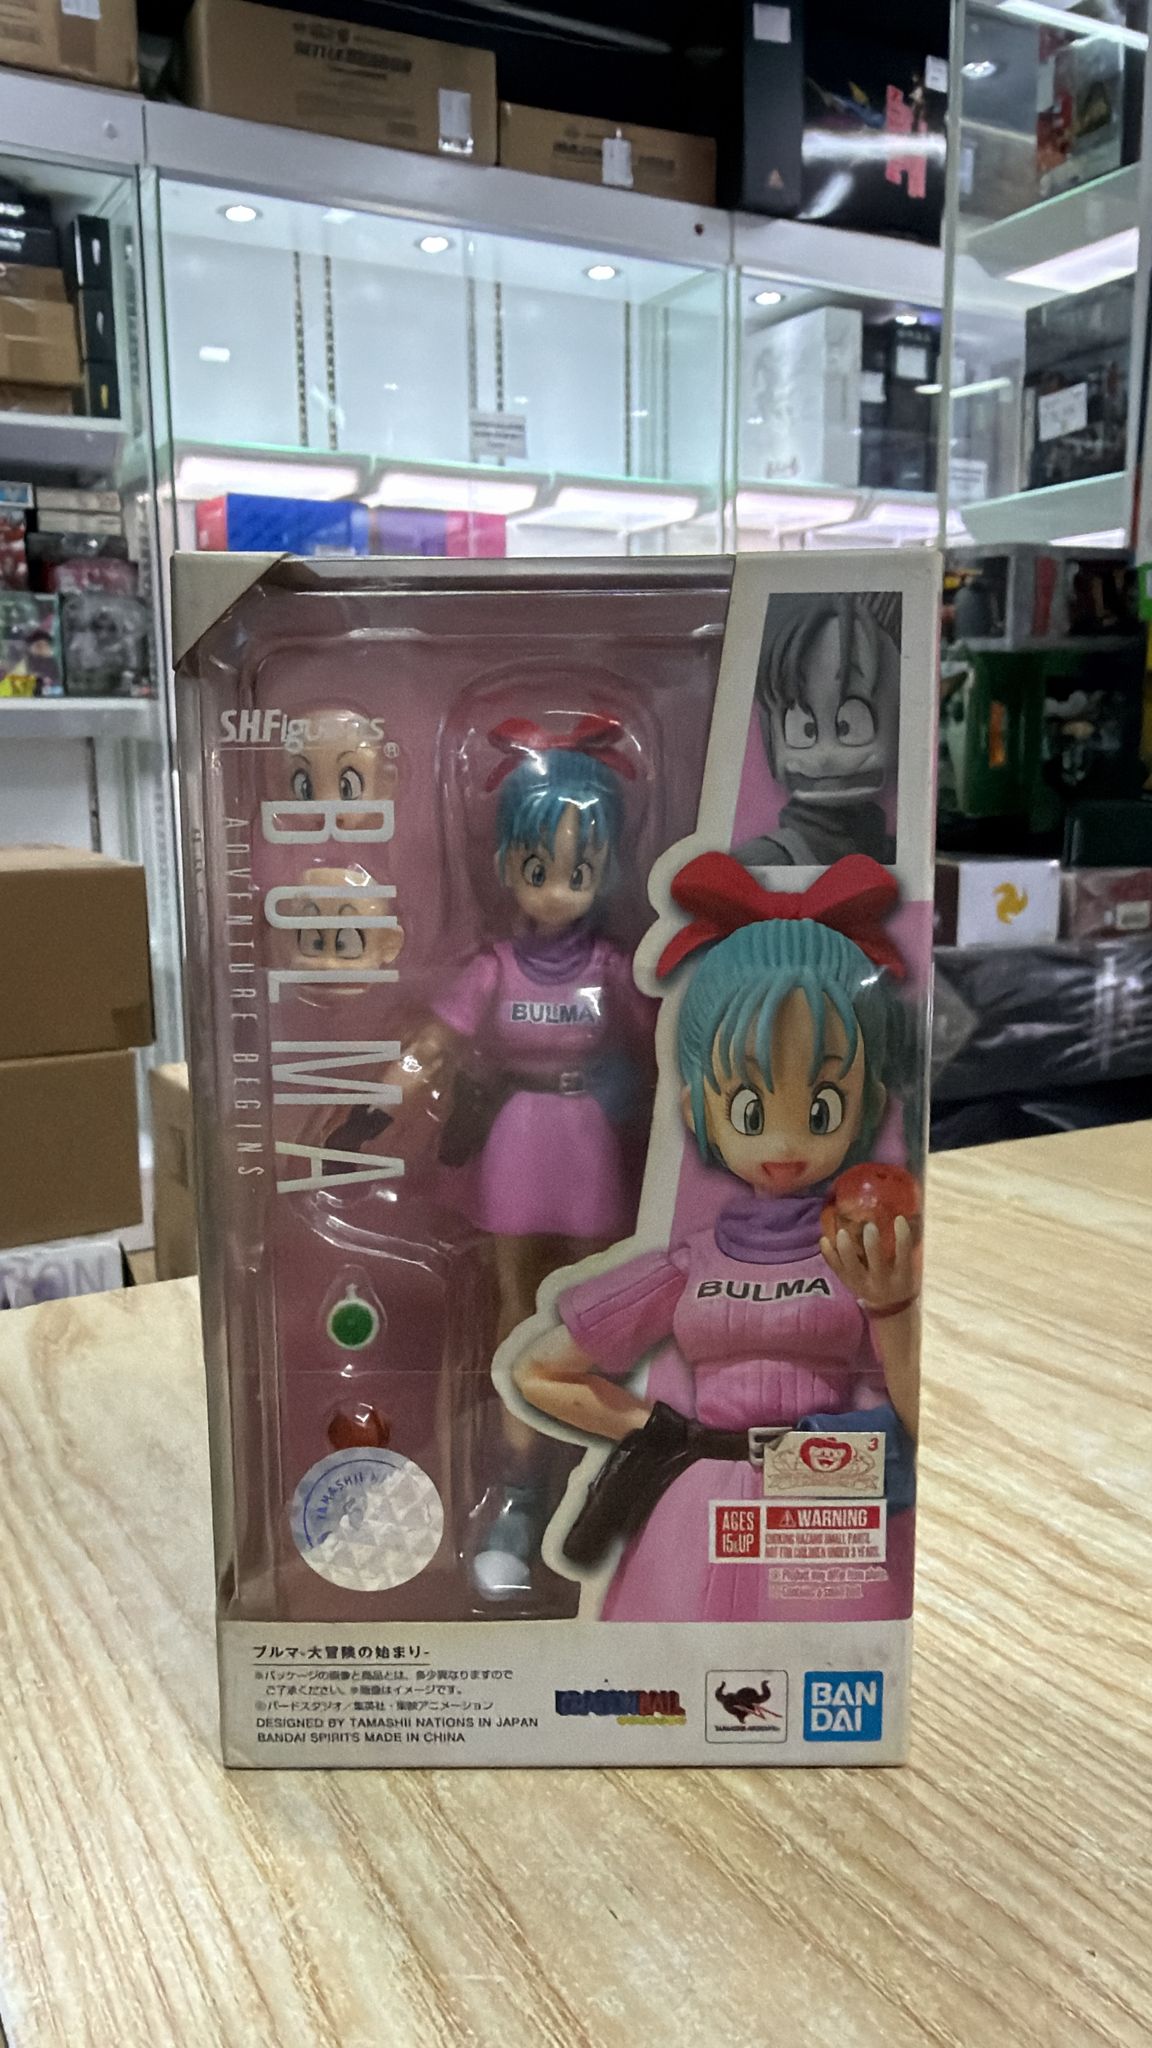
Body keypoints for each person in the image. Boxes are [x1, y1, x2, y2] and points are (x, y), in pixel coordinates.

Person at [510, 851, 921, 1624]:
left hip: (827, 1500)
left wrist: (893, 1309)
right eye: (751, 1112)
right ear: (698, 1105)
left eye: (822, 1109)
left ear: (866, 1103)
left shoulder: (860, 1253)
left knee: (830, 1656)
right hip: (695, 1510)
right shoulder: (690, 1261)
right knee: (677, 1652)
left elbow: (923, 1416)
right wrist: (659, 1432)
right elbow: (543, 1371)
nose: (785, 1143)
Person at [735, 591, 900, 868]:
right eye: (805, 729)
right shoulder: (764, 862)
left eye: (849, 726)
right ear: (771, 736)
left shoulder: (898, 855)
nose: (825, 757)